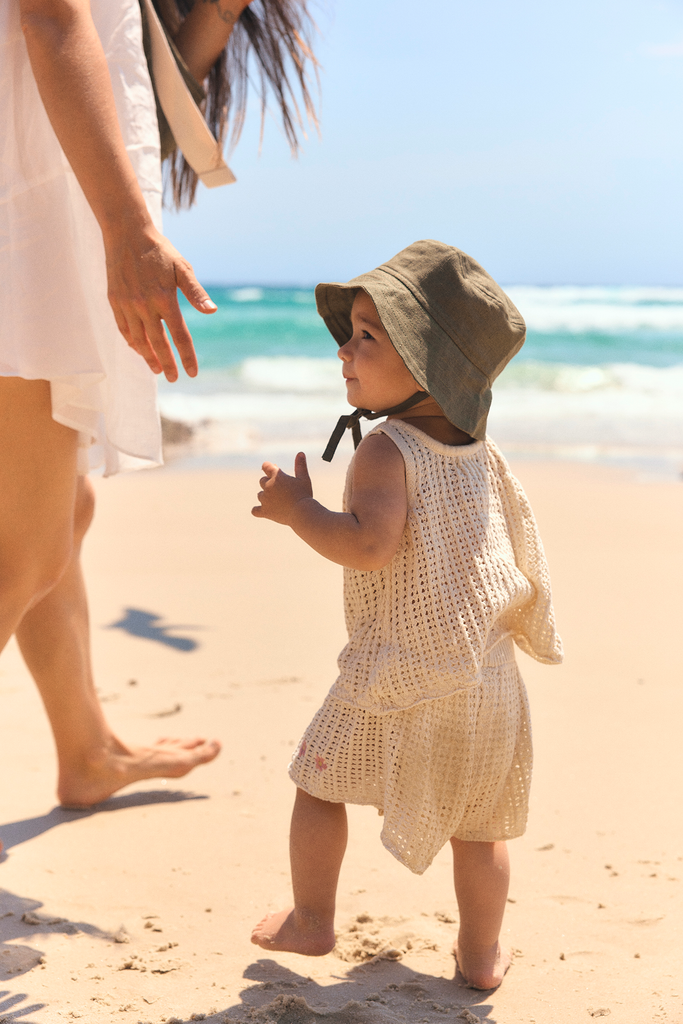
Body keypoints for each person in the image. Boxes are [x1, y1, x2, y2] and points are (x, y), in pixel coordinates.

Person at [0, 0, 317, 810]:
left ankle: (89, 750)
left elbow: (140, 72)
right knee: (22, 552)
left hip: (44, 193)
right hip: (29, 209)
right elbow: (48, 18)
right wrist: (128, 230)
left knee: (61, 511)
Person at [250, 240, 563, 990]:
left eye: (367, 337)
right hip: (488, 682)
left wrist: (299, 512)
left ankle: (312, 919)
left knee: (317, 782)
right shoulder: (480, 452)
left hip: (397, 676)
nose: (344, 353)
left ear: (426, 363)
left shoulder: (385, 450)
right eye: (347, 333)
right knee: (479, 829)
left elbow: (367, 547)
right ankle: (482, 957)